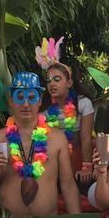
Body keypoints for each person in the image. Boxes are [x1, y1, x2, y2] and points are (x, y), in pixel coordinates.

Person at [0, 71, 81, 218]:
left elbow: (68, 185)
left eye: (32, 98)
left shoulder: (57, 139)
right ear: (11, 100)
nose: (25, 104)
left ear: (40, 101)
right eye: (19, 97)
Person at [36, 38, 94, 187]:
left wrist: (86, 167)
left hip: (78, 156)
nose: (52, 84)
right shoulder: (43, 110)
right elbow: (41, 142)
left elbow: (86, 138)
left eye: (57, 79)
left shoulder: (83, 103)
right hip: (53, 158)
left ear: (69, 82)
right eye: (49, 80)